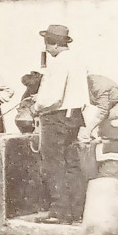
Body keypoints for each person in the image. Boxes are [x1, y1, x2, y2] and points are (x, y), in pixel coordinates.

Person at [31, 25, 90, 224]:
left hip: (56, 117)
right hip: (74, 116)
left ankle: (59, 212)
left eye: (47, 43)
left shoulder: (58, 63)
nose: (46, 48)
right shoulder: (78, 61)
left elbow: (53, 97)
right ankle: (77, 210)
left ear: (55, 43)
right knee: (72, 164)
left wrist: (36, 107)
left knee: (53, 164)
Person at [82, 73, 118, 137]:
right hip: (110, 105)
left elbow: (103, 111)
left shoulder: (98, 86)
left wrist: (88, 130)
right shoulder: (84, 84)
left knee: (115, 131)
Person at [14, 71, 43, 135]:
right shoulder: (28, 90)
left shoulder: (44, 83)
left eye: (29, 84)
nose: (28, 86)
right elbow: (24, 100)